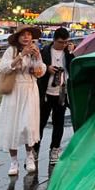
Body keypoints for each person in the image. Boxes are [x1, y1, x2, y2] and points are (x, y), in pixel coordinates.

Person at [0, 25, 46, 176]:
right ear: (17, 37)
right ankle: (14, 161)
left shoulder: (35, 51)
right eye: (23, 34)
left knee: (28, 125)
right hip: (14, 89)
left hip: (30, 89)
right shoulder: (11, 51)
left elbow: (40, 71)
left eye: (29, 34)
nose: (26, 37)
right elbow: (4, 68)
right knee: (13, 125)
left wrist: (37, 58)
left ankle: (30, 156)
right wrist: (21, 55)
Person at [34, 28, 74, 165]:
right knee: (40, 123)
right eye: (61, 42)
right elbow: (36, 68)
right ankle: (35, 150)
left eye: (66, 42)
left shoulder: (68, 53)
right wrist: (47, 68)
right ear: (54, 40)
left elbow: (73, 69)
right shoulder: (44, 51)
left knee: (59, 123)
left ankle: (55, 149)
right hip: (45, 92)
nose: (63, 45)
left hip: (61, 93)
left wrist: (71, 53)